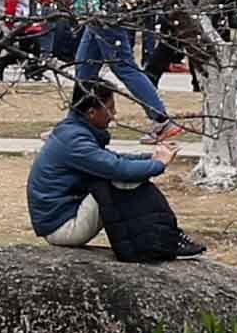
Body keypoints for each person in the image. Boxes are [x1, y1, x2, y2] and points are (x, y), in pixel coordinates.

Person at [27, 80, 191, 267]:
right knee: (116, 182)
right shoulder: (75, 141)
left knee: (116, 178)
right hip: (62, 228)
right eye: (110, 109)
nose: (114, 115)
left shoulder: (73, 133)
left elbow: (112, 159)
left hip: (62, 217)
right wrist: (158, 164)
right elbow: (117, 169)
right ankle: (165, 241)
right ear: (92, 112)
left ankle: (166, 237)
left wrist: (152, 156)